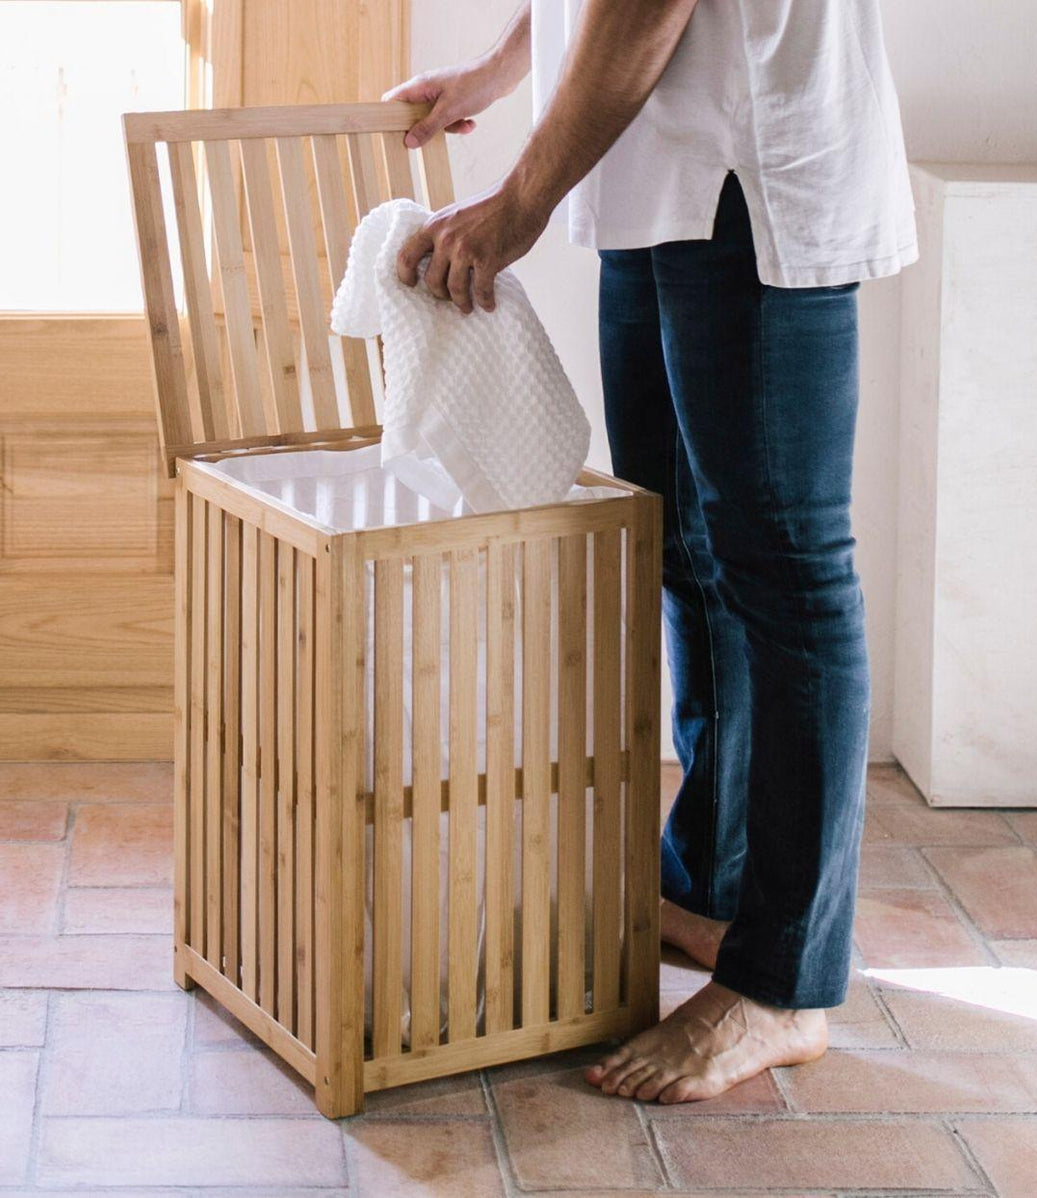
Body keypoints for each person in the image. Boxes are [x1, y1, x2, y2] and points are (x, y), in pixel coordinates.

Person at [385, 0, 917, 1104]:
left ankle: (782, 985)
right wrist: (494, 73)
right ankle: (711, 887)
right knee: (686, 549)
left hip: (748, 176)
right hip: (648, 179)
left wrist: (517, 203)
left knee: (786, 575)